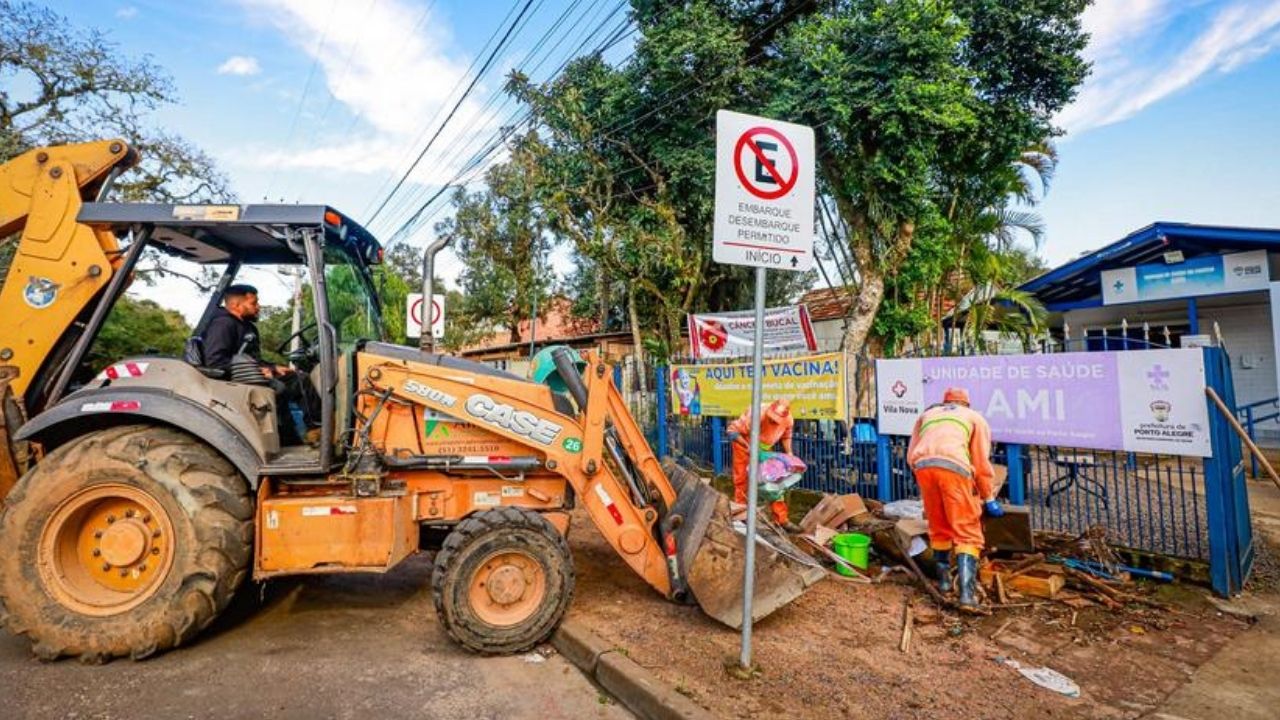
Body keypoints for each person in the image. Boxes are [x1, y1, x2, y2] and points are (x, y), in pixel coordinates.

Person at [907, 387, 1003, 611]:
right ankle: (967, 596)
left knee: (938, 524)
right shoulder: (974, 418)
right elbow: (980, 462)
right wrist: (988, 497)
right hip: (955, 468)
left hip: (923, 467)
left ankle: (943, 582)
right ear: (966, 403)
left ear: (945, 401)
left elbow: (911, 454)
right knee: (967, 529)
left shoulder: (928, 415)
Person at [201, 284, 314, 444]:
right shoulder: (223, 324)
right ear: (236, 305)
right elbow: (215, 362)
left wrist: (272, 367)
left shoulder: (248, 327)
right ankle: (295, 436)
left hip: (249, 373)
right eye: (253, 303)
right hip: (232, 379)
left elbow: (252, 358)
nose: (258, 307)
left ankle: (312, 429)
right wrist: (258, 370)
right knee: (283, 387)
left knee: (297, 378)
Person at [727, 399, 798, 531]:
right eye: (771, 418)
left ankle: (781, 519)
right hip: (744, 445)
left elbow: (786, 435)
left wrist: (789, 452)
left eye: (775, 421)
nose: (772, 422)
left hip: (764, 449)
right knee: (742, 481)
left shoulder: (788, 420)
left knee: (774, 482)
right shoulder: (756, 413)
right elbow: (732, 431)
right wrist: (747, 446)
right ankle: (742, 517)